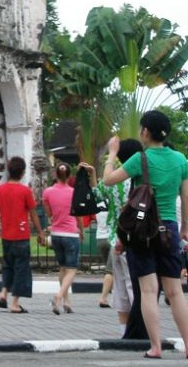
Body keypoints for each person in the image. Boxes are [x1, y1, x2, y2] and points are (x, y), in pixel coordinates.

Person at [102, 110, 188, 359]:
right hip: (169, 228)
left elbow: (108, 180)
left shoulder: (140, 159)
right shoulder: (181, 160)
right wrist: (184, 228)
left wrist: (112, 154)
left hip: (142, 230)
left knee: (149, 290)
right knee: (175, 291)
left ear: (145, 132)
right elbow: (185, 196)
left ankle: (155, 347)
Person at [83, 138, 143, 336]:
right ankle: (139, 329)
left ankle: (124, 331)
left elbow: (97, 195)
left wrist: (94, 176)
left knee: (120, 288)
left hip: (113, 238)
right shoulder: (138, 179)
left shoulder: (114, 181)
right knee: (135, 286)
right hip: (133, 239)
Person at [0, 156, 45, 314]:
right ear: (22, 173)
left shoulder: (0, 190)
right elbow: (33, 214)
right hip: (21, 236)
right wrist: (40, 232)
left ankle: (3, 293)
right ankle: (15, 303)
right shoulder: (25, 191)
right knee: (21, 268)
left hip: (6, 235)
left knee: (8, 266)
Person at [43, 163, 83, 315]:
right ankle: (59, 296)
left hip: (56, 234)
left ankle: (67, 302)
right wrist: (82, 231)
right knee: (72, 270)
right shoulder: (74, 192)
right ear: (69, 176)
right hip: (70, 234)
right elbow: (78, 215)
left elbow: (48, 212)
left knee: (62, 268)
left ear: (56, 175)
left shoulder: (48, 192)